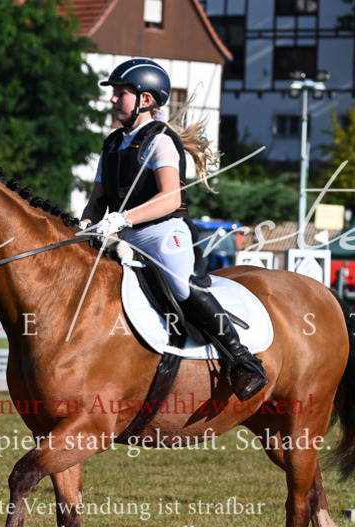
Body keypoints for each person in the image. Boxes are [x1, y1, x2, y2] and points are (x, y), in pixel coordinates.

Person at [79, 58, 268, 401]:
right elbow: (97, 200)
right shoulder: (111, 144)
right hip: (123, 235)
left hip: (163, 233)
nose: (112, 100)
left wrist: (121, 219)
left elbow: (170, 197)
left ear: (145, 100)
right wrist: (85, 226)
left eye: (120, 93)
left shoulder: (161, 141)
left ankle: (242, 359)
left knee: (181, 285)